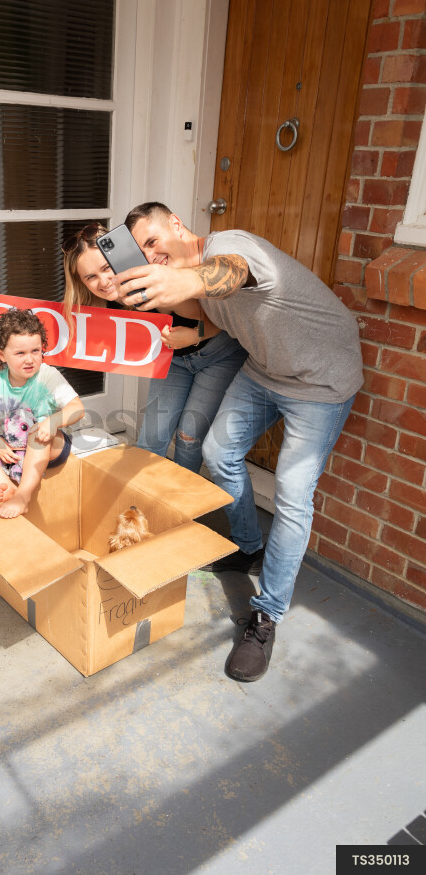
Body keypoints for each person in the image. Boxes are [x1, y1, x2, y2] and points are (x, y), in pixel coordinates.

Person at [113, 201, 364, 682]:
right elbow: (202, 315)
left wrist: (184, 281)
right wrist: (147, 292)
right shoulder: (189, 283)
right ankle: (248, 546)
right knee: (216, 453)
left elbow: (233, 274)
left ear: (178, 225)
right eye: (141, 249)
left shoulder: (232, 247)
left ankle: (266, 616)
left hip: (321, 383)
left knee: (292, 494)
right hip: (265, 372)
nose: (151, 252)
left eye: (153, 239)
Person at [61, 222, 247, 473]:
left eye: (106, 268)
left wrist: (193, 335)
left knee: (188, 438)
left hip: (216, 351)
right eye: (90, 277)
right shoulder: (105, 304)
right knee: (152, 438)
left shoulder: (151, 286)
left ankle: (182, 507)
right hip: (175, 359)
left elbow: (219, 324)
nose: (103, 281)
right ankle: (142, 507)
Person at [0, 307, 84, 519]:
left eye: (35, 351)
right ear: (1, 355)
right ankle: (8, 487)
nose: (30, 359)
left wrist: (53, 422)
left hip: (48, 444)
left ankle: (24, 495)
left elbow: (77, 408)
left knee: (37, 431)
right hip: (14, 449)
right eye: (20, 353)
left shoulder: (47, 376)